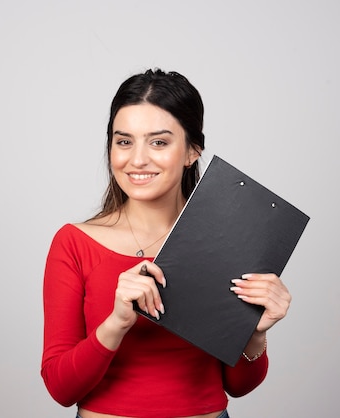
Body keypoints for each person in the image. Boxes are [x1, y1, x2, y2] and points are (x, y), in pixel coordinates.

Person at [41, 69, 291, 418]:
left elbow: (239, 386)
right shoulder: (74, 243)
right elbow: (60, 388)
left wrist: (256, 334)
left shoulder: (227, 242)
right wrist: (116, 323)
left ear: (192, 151)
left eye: (158, 142)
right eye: (124, 141)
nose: (138, 159)